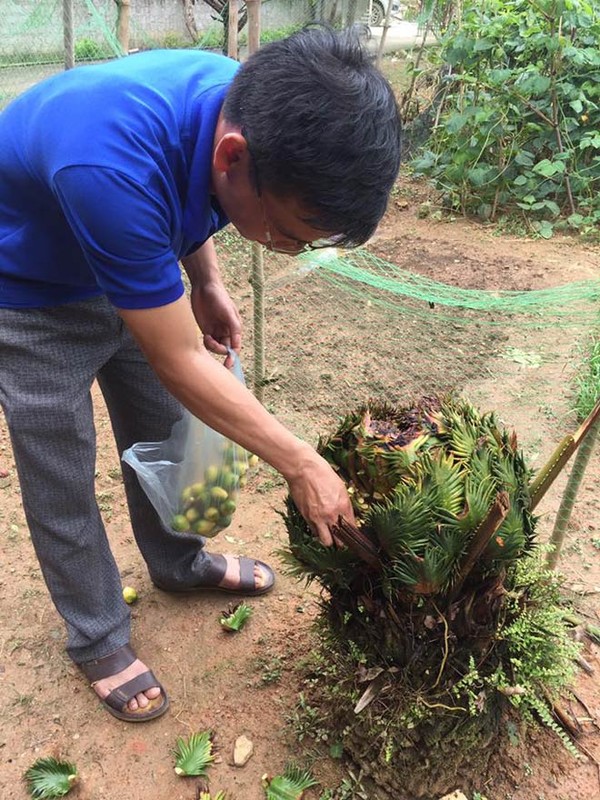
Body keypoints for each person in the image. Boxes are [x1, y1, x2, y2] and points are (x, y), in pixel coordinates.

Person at [0, 25, 402, 722]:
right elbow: (179, 357)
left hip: (131, 257)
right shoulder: (109, 164)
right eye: (292, 231)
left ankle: (178, 563)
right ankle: (97, 636)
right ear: (235, 156)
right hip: (27, 289)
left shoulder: (243, 100)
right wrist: (301, 463)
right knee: (60, 467)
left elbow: (192, 194)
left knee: (169, 429)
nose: (289, 248)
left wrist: (206, 282)